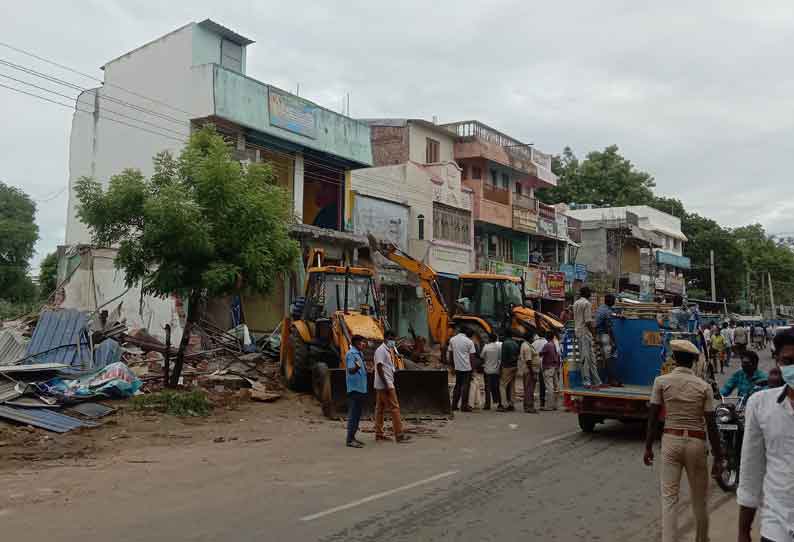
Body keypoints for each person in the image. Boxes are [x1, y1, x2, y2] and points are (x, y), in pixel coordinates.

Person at [643, 340, 723, 542]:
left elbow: (652, 418)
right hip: (696, 442)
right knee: (699, 500)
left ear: (674, 358)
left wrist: (648, 447)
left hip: (671, 439)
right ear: (694, 361)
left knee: (669, 498)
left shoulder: (661, 381)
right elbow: (711, 424)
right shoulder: (704, 386)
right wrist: (719, 457)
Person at [737, 327, 794, 542]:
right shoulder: (760, 404)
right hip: (776, 525)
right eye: (788, 361)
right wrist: (743, 532)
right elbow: (751, 469)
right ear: (778, 363)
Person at [374, 330, 410, 443]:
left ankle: (379, 434)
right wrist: (386, 385)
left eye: (394, 339)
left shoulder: (388, 350)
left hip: (383, 384)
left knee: (380, 409)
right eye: (391, 339)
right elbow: (379, 367)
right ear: (385, 338)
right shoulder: (381, 351)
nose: (392, 341)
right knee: (395, 408)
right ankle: (399, 435)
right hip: (386, 384)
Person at [573, 286, 602, 388]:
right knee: (587, 358)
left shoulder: (576, 303)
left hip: (579, 332)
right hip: (585, 333)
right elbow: (588, 321)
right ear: (586, 293)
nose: (591, 294)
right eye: (589, 292)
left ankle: (596, 380)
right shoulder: (586, 304)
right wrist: (594, 334)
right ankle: (587, 381)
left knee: (589, 357)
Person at [344, 335, 368, 448]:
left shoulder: (360, 354)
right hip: (354, 389)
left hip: (361, 388)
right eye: (361, 342)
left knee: (357, 415)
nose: (363, 344)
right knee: (353, 414)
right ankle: (349, 440)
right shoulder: (351, 354)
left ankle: (353, 437)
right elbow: (351, 370)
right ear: (356, 343)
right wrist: (357, 368)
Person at [448, 327, 476, 412]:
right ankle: (464, 406)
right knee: (466, 387)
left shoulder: (452, 340)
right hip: (467, 368)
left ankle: (454, 405)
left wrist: (452, 366)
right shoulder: (469, 341)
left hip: (457, 367)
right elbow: (472, 357)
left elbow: (450, 354)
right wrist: (473, 369)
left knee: (458, 386)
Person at [595, 293, 618, 384]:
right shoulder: (607, 311)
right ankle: (611, 379)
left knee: (603, 358)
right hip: (604, 335)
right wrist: (613, 341)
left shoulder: (601, 308)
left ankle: (605, 378)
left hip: (598, 335)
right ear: (611, 301)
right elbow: (609, 328)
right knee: (610, 358)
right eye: (614, 300)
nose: (614, 302)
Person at [520, 332, 543, 413]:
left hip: (529, 370)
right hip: (530, 371)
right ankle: (529, 407)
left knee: (528, 389)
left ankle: (527, 406)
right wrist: (532, 372)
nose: (533, 339)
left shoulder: (526, 345)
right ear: (529, 338)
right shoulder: (527, 347)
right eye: (532, 337)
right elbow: (528, 360)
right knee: (530, 389)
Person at [498, 331, 520, 412]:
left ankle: (504, 404)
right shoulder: (515, 343)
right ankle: (511, 404)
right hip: (514, 366)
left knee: (502, 385)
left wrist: (501, 367)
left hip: (507, 367)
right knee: (512, 385)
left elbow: (503, 357)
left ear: (506, 335)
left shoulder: (505, 343)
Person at [540, 330, 560, 411]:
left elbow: (540, 353)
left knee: (549, 387)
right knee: (555, 386)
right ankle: (555, 405)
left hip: (548, 367)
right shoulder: (554, 344)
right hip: (555, 367)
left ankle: (549, 406)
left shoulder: (547, 345)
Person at [481, 334, 502, 410]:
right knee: (496, 387)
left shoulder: (486, 347)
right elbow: (500, 358)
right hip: (496, 370)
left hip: (487, 370)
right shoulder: (498, 347)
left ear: (489, 339)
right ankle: (499, 403)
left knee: (487, 388)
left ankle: (487, 405)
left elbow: (482, 356)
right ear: (496, 339)